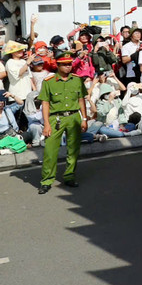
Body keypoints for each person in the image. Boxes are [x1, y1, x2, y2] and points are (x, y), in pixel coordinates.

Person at [37, 52, 88, 193]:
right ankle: (47, 180)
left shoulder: (77, 80)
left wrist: (84, 118)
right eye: (64, 64)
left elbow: (81, 99)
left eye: (69, 64)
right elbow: (45, 102)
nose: (68, 67)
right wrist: (46, 124)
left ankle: (69, 176)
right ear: (57, 66)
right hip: (56, 118)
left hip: (73, 117)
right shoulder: (49, 81)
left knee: (73, 149)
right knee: (50, 151)